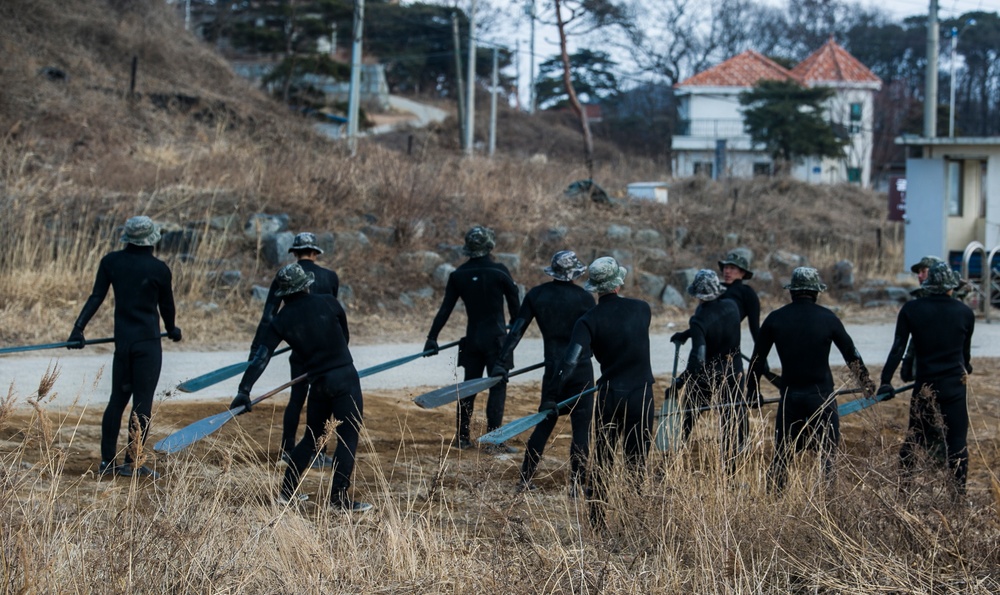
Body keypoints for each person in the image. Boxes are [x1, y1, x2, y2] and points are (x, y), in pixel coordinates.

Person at [231, 263, 370, 512]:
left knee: (311, 439)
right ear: (306, 284)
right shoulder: (329, 302)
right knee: (347, 438)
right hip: (344, 378)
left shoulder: (280, 320)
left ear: (283, 293)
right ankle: (338, 500)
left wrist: (244, 390)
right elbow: (344, 338)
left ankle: (286, 493)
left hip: (316, 384)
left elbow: (261, 358)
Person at [67, 215, 182, 479]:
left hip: (124, 343)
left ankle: (107, 461)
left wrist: (78, 329)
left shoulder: (111, 262)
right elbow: (167, 307)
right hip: (148, 344)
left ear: (128, 239)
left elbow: (96, 296)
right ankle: (134, 462)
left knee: (116, 402)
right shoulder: (159, 269)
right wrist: (172, 329)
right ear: (151, 240)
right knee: (142, 405)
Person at [748, 267, 876, 492]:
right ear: (816, 292)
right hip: (822, 398)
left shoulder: (776, 319)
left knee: (782, 455)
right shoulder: (828, 318)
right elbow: (851, 354)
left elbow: (757, 360)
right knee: (827, 456)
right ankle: (828, 501)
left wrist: (751, 392)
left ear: (792, 292)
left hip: (790, 398)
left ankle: (775, 499)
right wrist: (865, 383)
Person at [548, 257, 654, 526]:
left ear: (594, 287)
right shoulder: (643, 309)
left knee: (604, 459)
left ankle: (597, 521)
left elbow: (570, 361)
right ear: (618, 282)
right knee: (637, 460)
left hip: (609, 394)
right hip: (641, 394)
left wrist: (552, 395)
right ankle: (635, 520)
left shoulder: (587, 320)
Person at [491, 250, 595, 494]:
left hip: (552, 369)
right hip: (580, 370)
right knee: (581, 428)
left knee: (544, 424)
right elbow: (594, 337)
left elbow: (516, 330)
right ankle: (576, 486)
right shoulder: (585, 299)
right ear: (575, 273)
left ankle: (525, 480)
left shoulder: (537, 295)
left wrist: (501, 362)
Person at [879, 261, 975, 496]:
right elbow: (966, 358)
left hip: (925, 388)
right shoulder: (965, 312)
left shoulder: (912, 309)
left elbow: (897, 349)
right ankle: (957, 499)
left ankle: (903, 493)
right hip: (954, 388)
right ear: (951, 287)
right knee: (957, 444)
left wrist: (886, 382)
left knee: (913, 440)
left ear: (929, 285)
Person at [423, 226, 520, 451]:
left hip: (473, 340)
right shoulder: (500, 271)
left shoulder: (458, 275)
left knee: (468, 388)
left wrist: (432, 338)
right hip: (497, 340)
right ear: (490, 245)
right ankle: (494, 441)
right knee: (497, 386)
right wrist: (513, 332)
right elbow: (517, 311)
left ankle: (463, 438)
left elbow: (445, 309)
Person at [249, 232, 340, 468]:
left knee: (296, 399)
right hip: (326, 354)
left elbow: (269, 316)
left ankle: (287, 449)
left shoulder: (284, 277)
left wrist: (257, 349)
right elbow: (334, 317)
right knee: (324, 402)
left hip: (300, 351)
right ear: (315, 252)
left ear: (295, 253)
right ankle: (319, 452)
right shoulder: (330, 277)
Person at [672, 269, 744, 471]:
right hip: (733, 372)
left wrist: (681, 380)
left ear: (696, 294)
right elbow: (718, 324)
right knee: (730, 423)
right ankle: (731, 470)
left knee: (687, 418)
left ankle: (674, 461)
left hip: (708, 376)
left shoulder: (698, 319)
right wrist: (689, 334)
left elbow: (699, 357)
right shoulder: (732, 306)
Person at [718, 248, 761, 342]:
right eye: (726, 267)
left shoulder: (747, 292)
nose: (727, 271)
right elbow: (703, 320)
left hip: (729, 344)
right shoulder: (716, 289)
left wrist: (760, 355)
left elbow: (755, 328)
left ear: (742, 272)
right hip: (707, 343)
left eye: (732, 268)